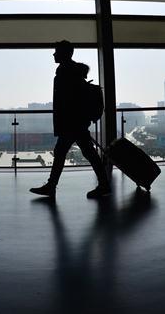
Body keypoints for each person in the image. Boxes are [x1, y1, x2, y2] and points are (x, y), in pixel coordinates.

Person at [30, 40, 110, 199]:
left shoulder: (67, 73)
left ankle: (52, 186)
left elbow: (69, 101)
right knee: (86, 153)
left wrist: (69, 120)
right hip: (76, 122)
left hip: (72, 123)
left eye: (56, 51)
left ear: (64, 53)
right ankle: (103, 184)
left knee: (65, 152)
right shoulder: (71, 71)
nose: (54, 54)